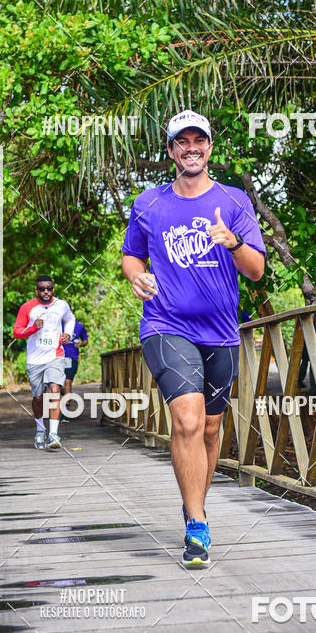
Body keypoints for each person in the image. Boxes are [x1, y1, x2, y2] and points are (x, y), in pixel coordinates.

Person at [122, 109, 266, 567]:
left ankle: (191, 509)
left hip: (221, 332)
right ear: (170, 151)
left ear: (209, 147)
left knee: (209, 427)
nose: (191, 148)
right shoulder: (149, 204)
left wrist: (232, 243)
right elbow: (131, 256)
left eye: (197, 140)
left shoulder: (235, 201)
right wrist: (136, 278)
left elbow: (257, 271)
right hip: (166, 326)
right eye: (181, 141)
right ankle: (198, 525)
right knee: (186, 420)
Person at [13, 275, 75, 450]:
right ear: (36, 290)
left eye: (49, 288)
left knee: (55, 390)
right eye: (42, 289)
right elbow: (17, 332)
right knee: (38, 397)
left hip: (55, 355)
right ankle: (40, 430)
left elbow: (70, 319)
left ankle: (54, 434)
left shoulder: (61, 305)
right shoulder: (28, 308)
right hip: (34, 359)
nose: (46, 291)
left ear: (53, 289)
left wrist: (68, 334)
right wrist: (33, 327)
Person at [62, 317, 88, 400]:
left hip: (71, 357)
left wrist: (80, 344)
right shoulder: (56, 324)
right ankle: (67, 392)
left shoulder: (79, 326)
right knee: (53, 384)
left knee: (68, 381)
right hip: (57, 357)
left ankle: (67, 407)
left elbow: (85, 340)